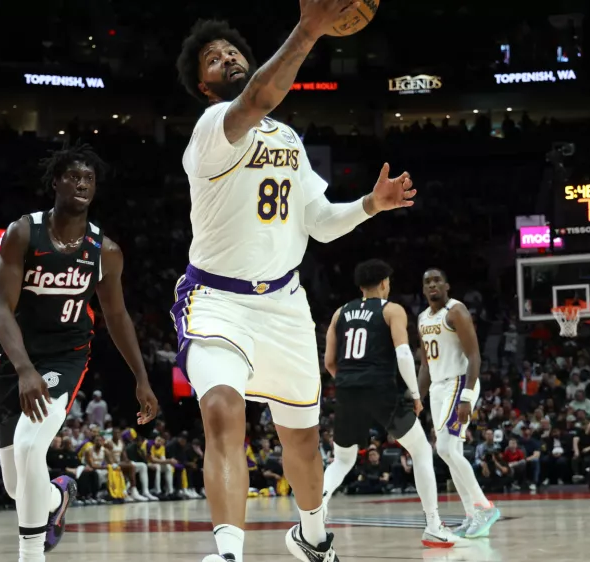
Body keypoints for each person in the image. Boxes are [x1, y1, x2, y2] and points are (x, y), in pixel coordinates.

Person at [173, 4, 415, 560]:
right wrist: (310, 28)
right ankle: (229, 552)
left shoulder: (286, 136)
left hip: (284, 306)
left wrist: (369, 206)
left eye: (232, 51)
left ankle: (313, 538)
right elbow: (258, 96)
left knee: (303, 443)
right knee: (222, 410)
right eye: (214, 59)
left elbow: (320, 224)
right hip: (216, 302)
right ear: (205, 87)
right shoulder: (213, 127)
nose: (227, 57)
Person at [0, 141, 159, 560]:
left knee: (32, 447)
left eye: (89, 178)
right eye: (73, 176)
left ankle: (30, 555)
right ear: (55, 182)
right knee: (17, 485)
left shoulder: (106, 251)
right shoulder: (22, 233)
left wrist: (141, 377)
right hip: (16, 359)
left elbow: (117, 317)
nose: (82, 183)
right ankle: (56, 497)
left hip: (66, 356)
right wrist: (25, 369)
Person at [320, 259, 455, 547]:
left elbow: (330, 361)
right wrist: (415, 395)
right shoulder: (391, 309)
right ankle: (433, 524)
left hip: (345, 389)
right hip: (380, 389)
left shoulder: (340, 313)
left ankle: (317, 508)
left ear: (360, 287)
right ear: (384, 283)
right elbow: (405, 355)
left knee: (342, 460)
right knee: (420, 450)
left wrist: (350, 383)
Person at [417, 268, 501, 538]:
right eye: (427, 282)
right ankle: (471, 514)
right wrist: (417, 397)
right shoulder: (421, 319)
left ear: (447, 286)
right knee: (449, 451)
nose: (432, 285)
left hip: (459, 382)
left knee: (445, 448)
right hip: (438, 388)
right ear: (423, 289)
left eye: (437, 280)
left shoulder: (456, 311)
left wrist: (466, 396)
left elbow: (474, 356)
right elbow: (425, 365)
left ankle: (484, 507)